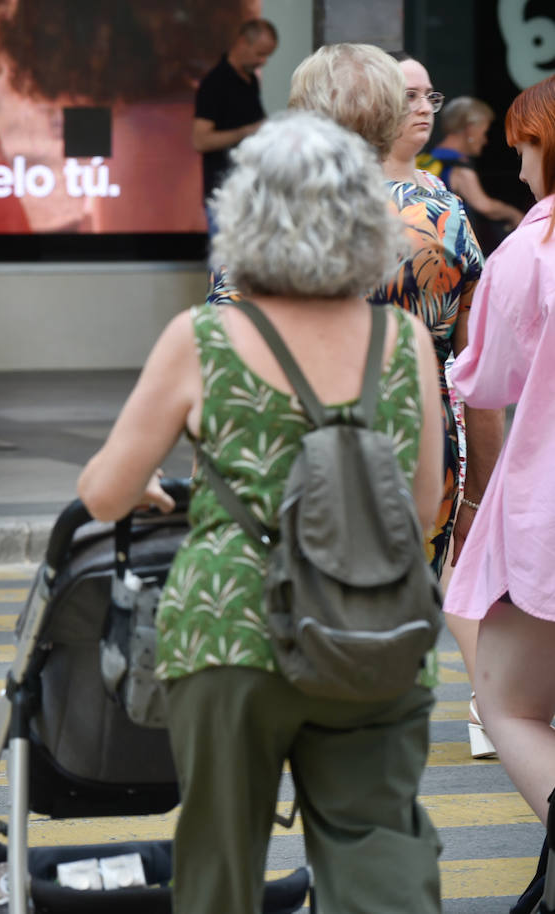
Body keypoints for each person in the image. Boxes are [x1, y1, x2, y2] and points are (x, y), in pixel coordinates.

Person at [80, 110, 444, 912]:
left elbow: (104, 493)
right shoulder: (403, 339)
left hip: (231, 635)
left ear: (243, 215)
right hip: (376, 632)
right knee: (380, 847)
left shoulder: (202, 336)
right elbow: (423, 507)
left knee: (221, 859)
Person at [286, 45, 506, 761]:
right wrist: (477, 489)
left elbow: (229, 348)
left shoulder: (286, 210)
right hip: (424, 444)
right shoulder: (445, 213)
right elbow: (476, 368)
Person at [444, 74, 555, 828]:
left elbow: (487, 378)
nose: (518, 170)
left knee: (507, 703)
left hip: (548, 508)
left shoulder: (535, 245)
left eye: (527, 150)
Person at [192, 18, 277, 233]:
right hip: (223, 193)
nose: (264, 61)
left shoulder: (250, 80)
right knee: (223, 264)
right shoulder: (214, 83)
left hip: (250, 189)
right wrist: (247, 131)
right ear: (242, 43)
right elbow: (200, 140)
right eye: (260, 53)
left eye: (267, 55)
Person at [418, 96, 528, 251]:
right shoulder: (458, 165)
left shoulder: (429, 158)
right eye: (484, 132)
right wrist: (515, 216)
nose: (485, 140)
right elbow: (485, 206)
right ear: (470, 128)